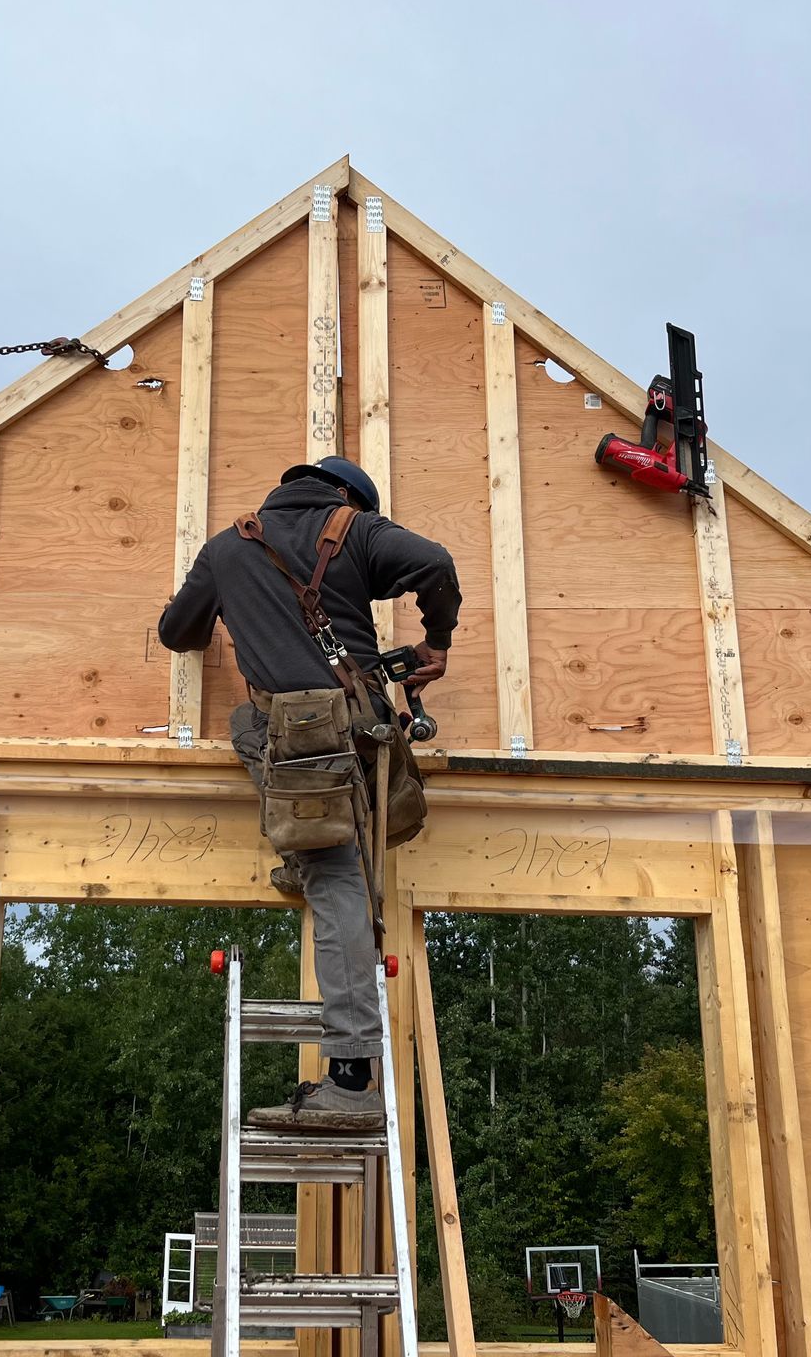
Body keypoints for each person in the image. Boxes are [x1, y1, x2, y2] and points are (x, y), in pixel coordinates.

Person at [158, 455, 461, 1131]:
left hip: (301, 747)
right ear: (348, 498)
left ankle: (351, 1081)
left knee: (335, 882)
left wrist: (229, 602)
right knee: (257, 743)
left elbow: (176, 633)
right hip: (360, 732)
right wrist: (436, 640)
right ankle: (306, 848)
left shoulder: (226, 547)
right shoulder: (356, 531)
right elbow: (435, 563)